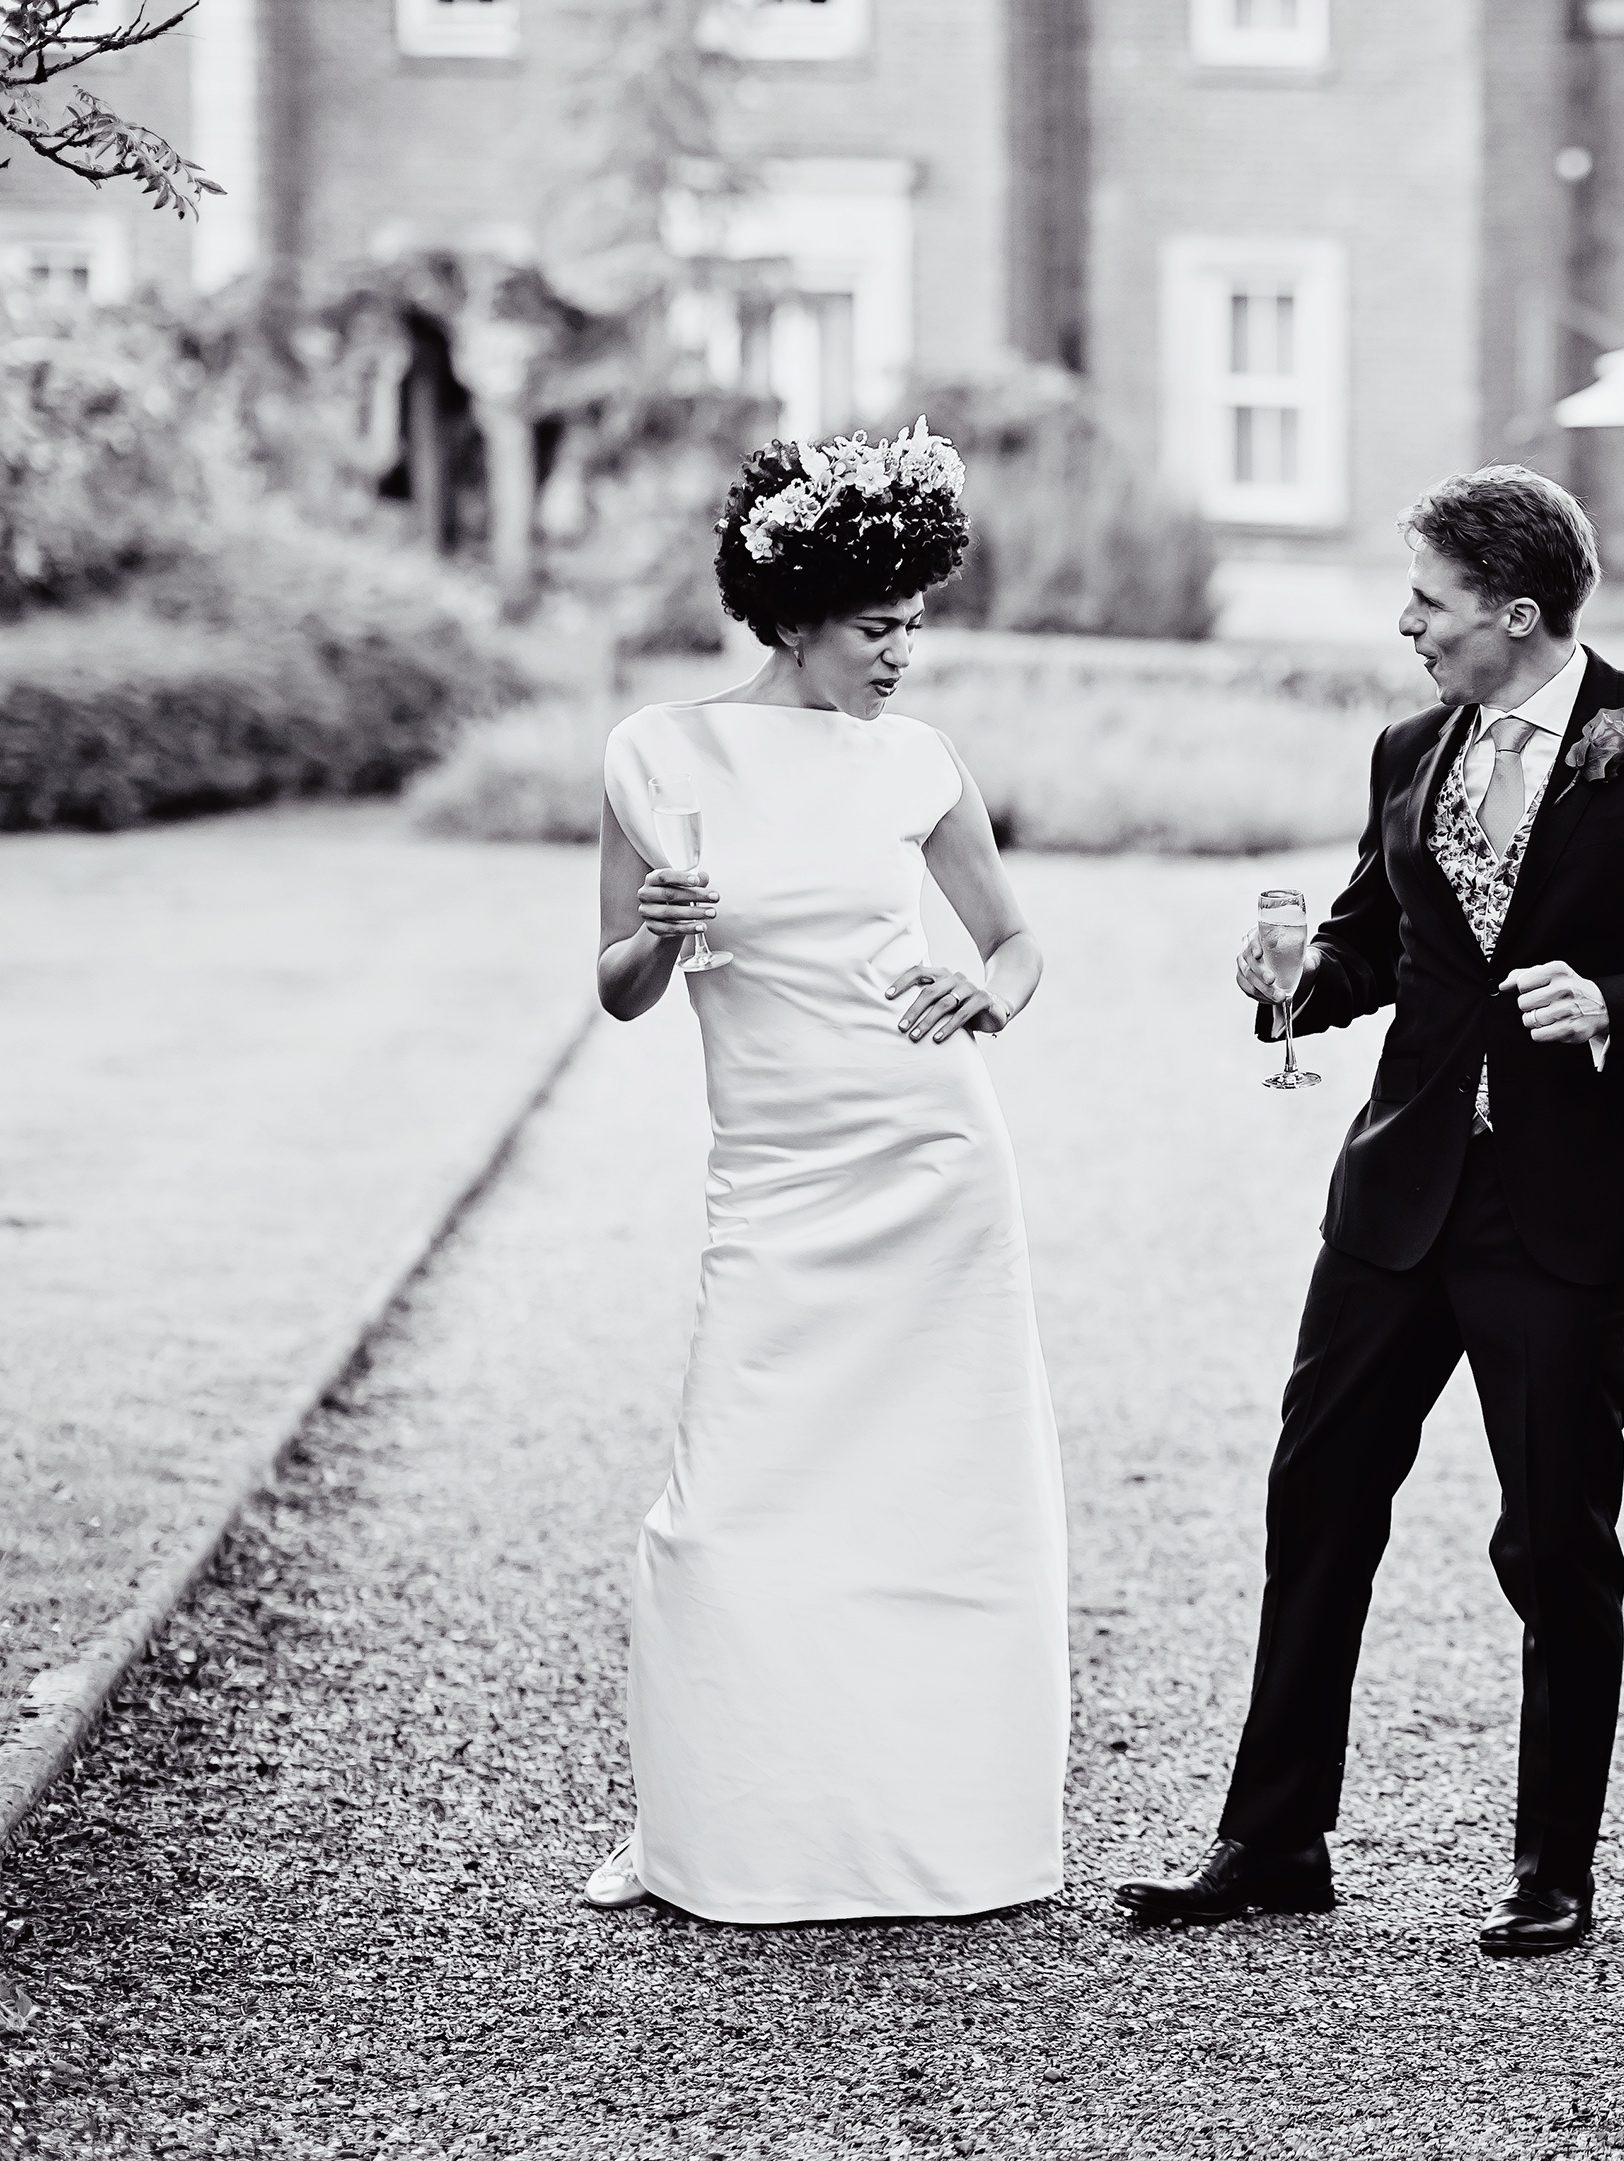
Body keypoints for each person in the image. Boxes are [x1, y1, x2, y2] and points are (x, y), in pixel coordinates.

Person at [1115, 465, 1624, 1956]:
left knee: (1553, 1542)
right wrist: (1296, 982)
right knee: (1317, 1500)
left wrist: (1617, 998)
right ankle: (1274, 1837)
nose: (1404, 624)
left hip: (1565, 1213)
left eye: (1429, 601)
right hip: (1396, 1193)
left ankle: (1555, 1864)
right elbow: (1375, 939)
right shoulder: (1410, 746)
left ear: (1520, 614)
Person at [582, 424, 1067, 1923]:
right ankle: (717, 1827)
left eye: (917, 621)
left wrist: (993, 990)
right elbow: (615, 989)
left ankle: (937, 1826)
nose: (903, 652)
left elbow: (1017, 939)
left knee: (936, 1497)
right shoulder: (657, 751)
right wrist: (660, 931)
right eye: (879, 625)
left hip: (930, 1157)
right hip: (775, 1179)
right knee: (729, 1504)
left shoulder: (917, 761)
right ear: (792, 613)